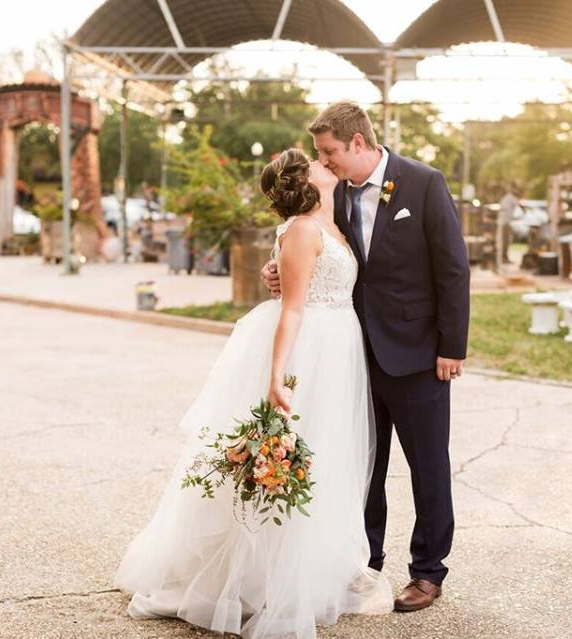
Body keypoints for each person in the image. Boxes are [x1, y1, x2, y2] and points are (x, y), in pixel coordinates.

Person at [115, 148, 393, 638]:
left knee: (326, 457)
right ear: (304, 183)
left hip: (339, 349)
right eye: (315, 163)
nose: (325, 165)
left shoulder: (333, 222)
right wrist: (276, 375)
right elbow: (291, 309)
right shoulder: (304, 229)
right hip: (310, 351)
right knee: (293, 456)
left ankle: (311, 567)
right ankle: (262, 578)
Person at [261, 102, 470, 612]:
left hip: (420, 355)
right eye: (319, 154)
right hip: (355, 356)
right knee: (362, 465)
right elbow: (319, 255)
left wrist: (451, 347)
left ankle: (427, 571)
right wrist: (278, 272)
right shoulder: (332, 197)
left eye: (329, 151)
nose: (324, 162)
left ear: (358, 143)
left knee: (427, 467)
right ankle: (365, 562)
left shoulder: (423, 182)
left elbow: (453, 269)